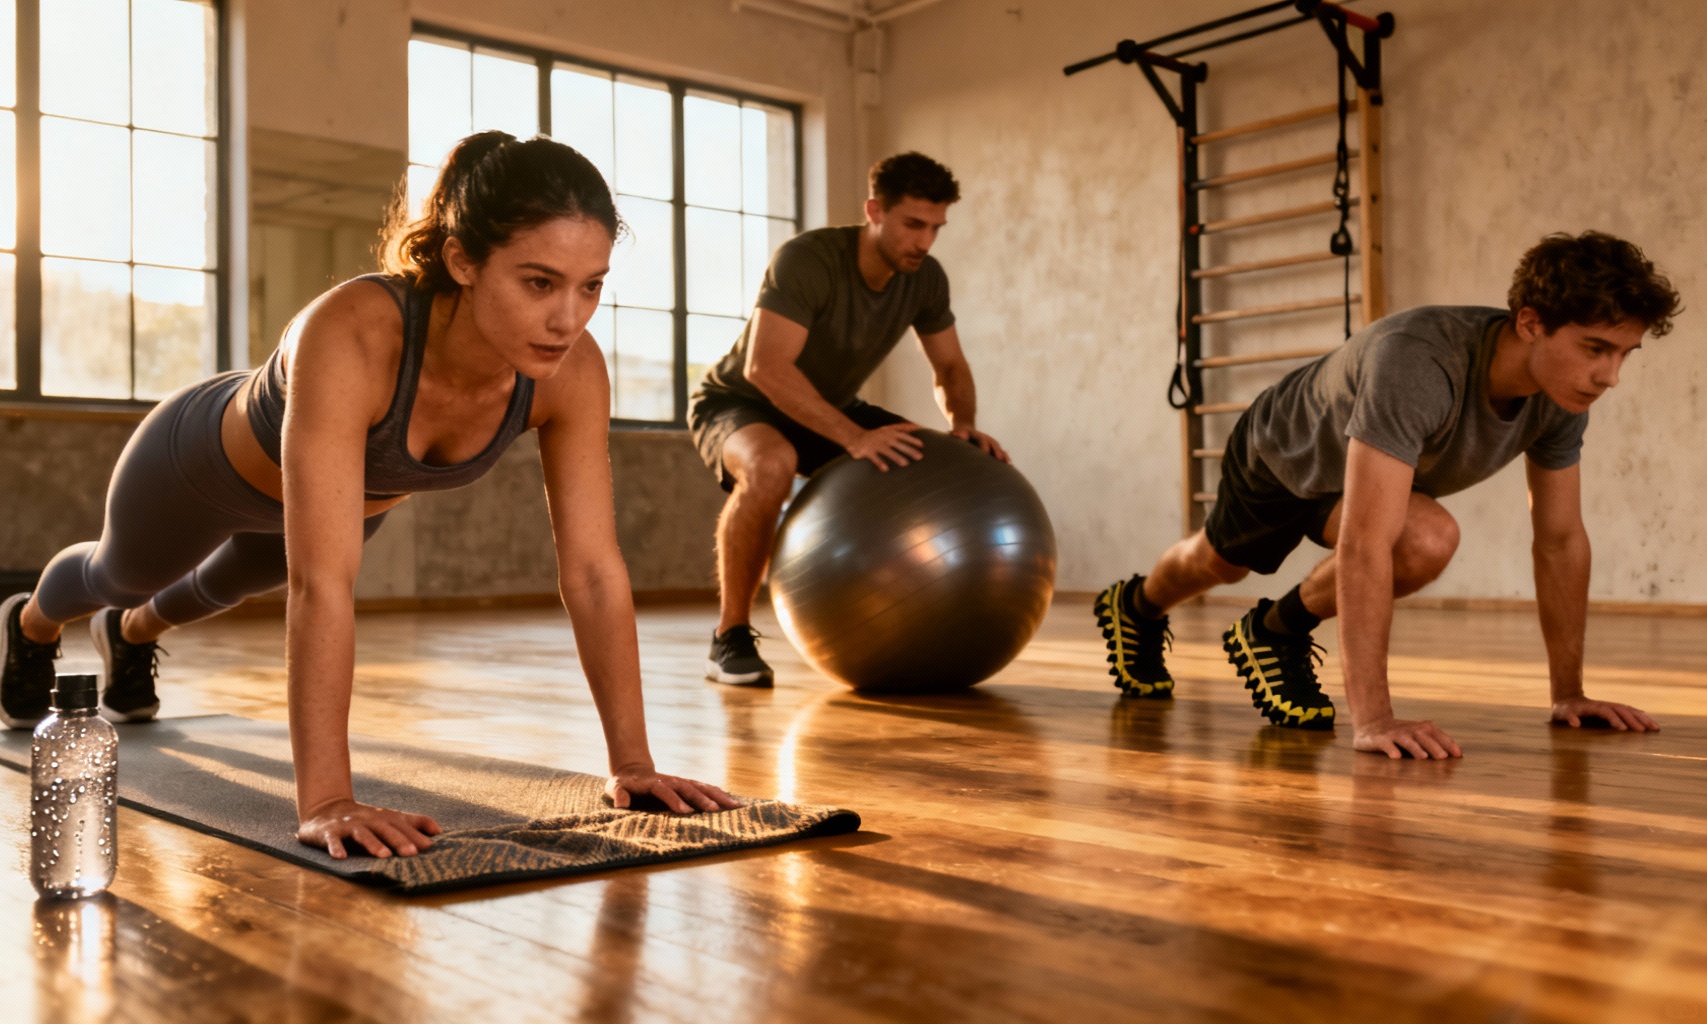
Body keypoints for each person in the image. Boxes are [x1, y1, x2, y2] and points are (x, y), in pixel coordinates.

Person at [0, 132, 739, 858]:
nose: (567, 317)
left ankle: (131, 635)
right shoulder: (355, 330)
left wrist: (633, 765)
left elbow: (593, 569)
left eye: (591, 287)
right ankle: (29, 625)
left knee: (211, 591)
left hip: (336, 502)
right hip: (197, 469)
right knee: (119, 575)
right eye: (539, 282)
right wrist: (325, 801)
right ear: (463, 260)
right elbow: (324, 583)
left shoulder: (571, 372)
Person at [1093, 231, 1681, 758]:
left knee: (1427, 539)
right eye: (1595, 348)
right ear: (1530, 322)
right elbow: (1364, 543)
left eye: (1624, 353)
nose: (1611, 377)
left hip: (1366, 469)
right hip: (1285, 453)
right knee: (1217, 563)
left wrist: (1568, 693)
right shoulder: (1420, 362)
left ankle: (1272, 632)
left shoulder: (1561, 397)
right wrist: (1373, 719)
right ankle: (1136, 607)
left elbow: (1559, 539)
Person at [688, 152, 1008, 686]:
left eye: (935, 228)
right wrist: (853, 436)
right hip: (740, 402)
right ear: (874, 210)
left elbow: (950, 366)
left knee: (932, 461)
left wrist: (963, 426)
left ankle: (909, 618)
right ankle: (730, 636)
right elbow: (765, 367)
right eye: (913, 225)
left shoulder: (925, 280)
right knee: (772, 465)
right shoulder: (808, 260)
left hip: (829, 404)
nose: (925, 242)